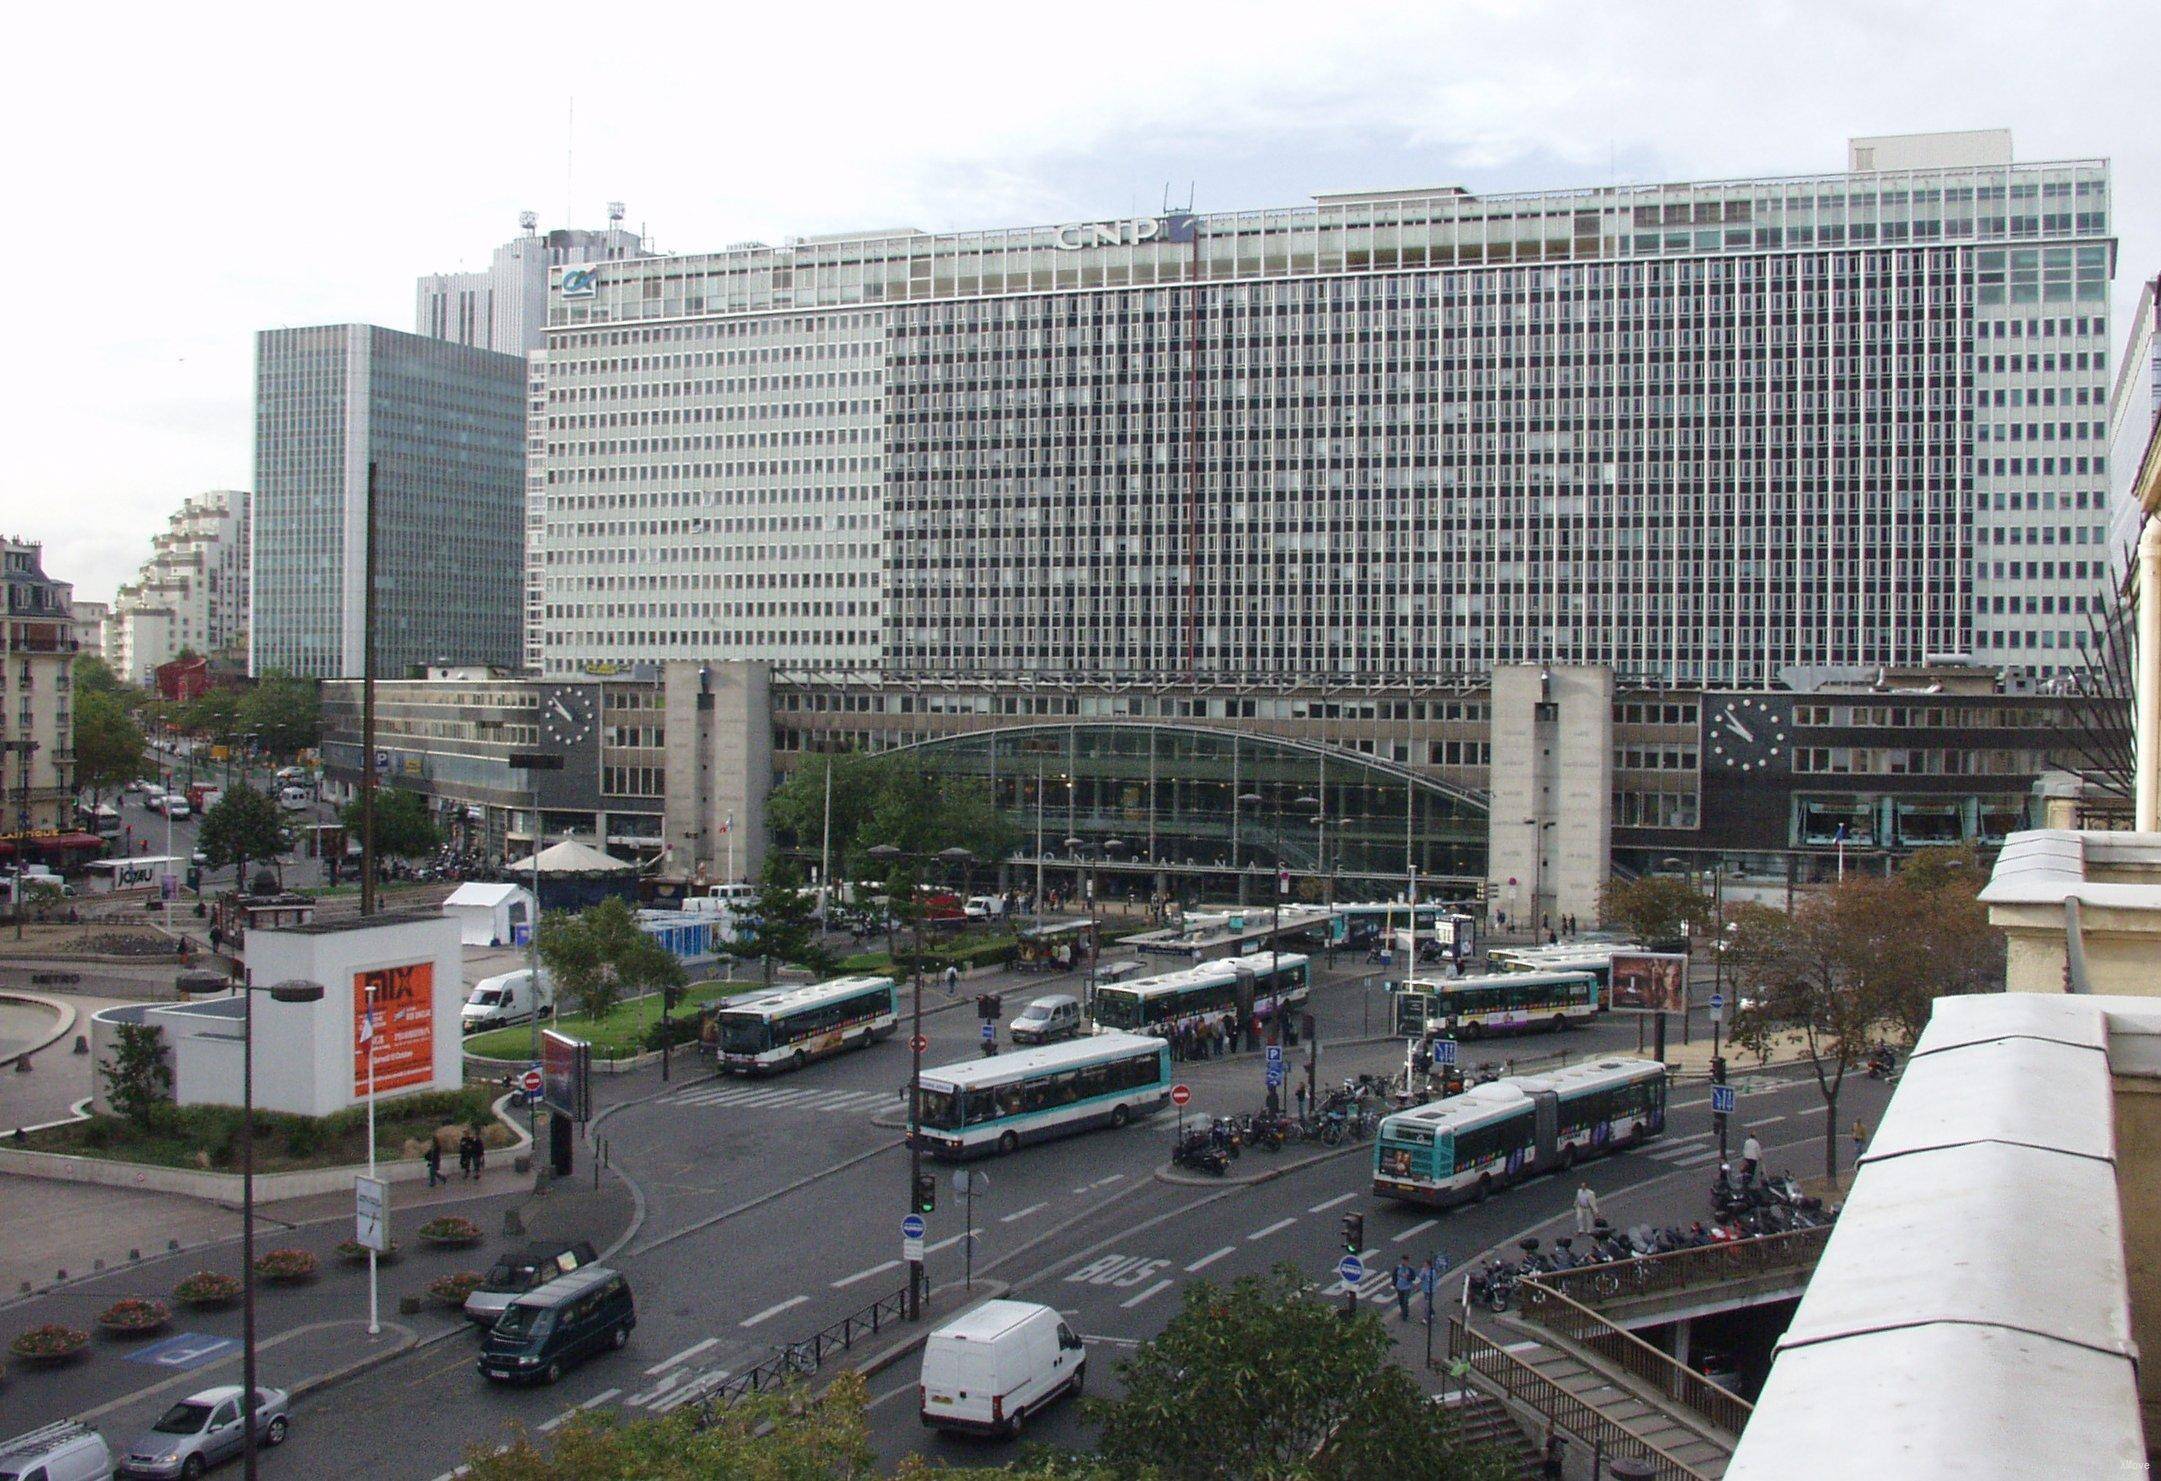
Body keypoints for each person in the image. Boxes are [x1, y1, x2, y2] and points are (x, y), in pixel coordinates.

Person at [1392, 1257, 1417, 1322]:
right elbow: (1394, 1275)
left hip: (1407, 1288)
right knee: (1401, 1301)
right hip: (1399, 1287)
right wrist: (1395, 1284)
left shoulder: (1410, 1269)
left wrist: (1408, 1277)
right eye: (1403, 1261)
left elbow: (1413, 1277)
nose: (1403, 1262)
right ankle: (1403, 1310)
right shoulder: (1398, 1268)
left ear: (1407, 1262)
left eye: (1405, 1261)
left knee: (1405, 1301)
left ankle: (1405, 1315)